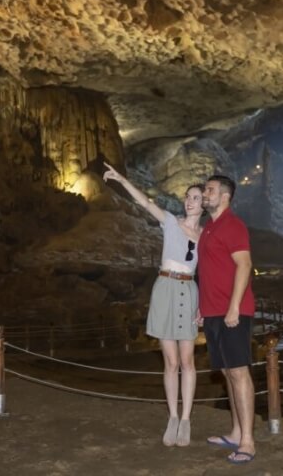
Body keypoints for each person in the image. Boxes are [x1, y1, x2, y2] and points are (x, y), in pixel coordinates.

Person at [102, 162, 203, 447]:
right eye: (188, 196)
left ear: (203, 205)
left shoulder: (206, 237)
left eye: (196, 197)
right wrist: (122, 179)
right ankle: (172, 417)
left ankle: (186, 420)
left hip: (189, 289)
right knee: (170, 362)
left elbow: (210, 271)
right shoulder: (171, 222)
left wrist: (204, 305)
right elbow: (145, 202)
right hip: (164, 287)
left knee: (187, 361)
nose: (190, 200)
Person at [197, 174, 256, 465]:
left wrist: (233, 307)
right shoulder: (209, 227)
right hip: (213, 311)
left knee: (239, 372)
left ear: (225, 196)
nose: (205, 194)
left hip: (233, 312)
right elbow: (209, 271)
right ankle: (235, 432)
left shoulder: (233, 225)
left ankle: (248, 442)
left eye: (209, 190)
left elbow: (244, 265)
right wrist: (202, 306)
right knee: (227, 374)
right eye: (205, 190)